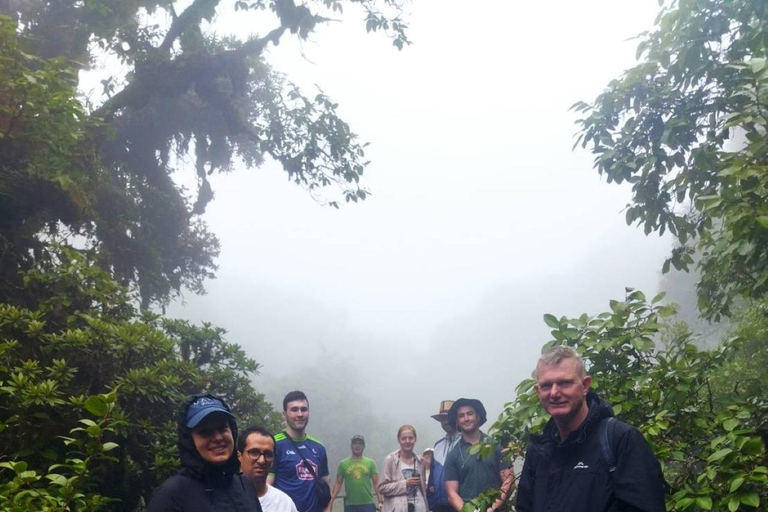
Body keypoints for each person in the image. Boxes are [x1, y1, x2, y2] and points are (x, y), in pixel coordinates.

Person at [515, 346, 667, 512]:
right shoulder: (538, 452)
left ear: (585, 385)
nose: (554, 393)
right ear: (538, 391)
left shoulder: (620, 440)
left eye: (564, 383)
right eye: (546, 385)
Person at [146, 394, 262, 512]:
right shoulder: (171, 495)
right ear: (189, 441)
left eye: (222, 428)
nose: (218, 438)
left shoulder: (244, 485)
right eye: (205, 432)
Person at [443, 399, 513, 512]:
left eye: (470, 414)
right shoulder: (453, 455)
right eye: (461, 416)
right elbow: (452, 493)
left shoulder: (496, 446)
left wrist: (492, 508)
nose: (466, 418)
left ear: (478, 417)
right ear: (457, 421)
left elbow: (509, 482)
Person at [269, 391, 331, 512]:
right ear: (284, 414)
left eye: (304, 409)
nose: (300, 414)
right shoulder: (274, 445)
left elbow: (326, 488)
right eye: (294, 409)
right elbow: (267, 486)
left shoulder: (319, 447)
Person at [238, 426, 299, 512]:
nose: (261, 460)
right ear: (239, 456)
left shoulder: (284, 503)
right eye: (254, 452)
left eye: (268, 454)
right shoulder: (225, 498)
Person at [329, 435, 384, 512]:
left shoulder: (370, 463)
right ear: (351, 446)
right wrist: (331, 502)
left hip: (367, 504)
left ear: (364, 447)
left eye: (360, 444)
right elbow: (338, 483)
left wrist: (380, 501)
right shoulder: (343, 464)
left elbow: (376, 483)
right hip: (350, 505)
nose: (357, 446)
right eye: (355, 443)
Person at [379, 425, 428, 512]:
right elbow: (382, 487)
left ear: (415, 439)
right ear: (399, 440)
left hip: (419, 507)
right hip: (398, 508)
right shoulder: (390, 460)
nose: (407, 441)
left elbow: (422, 487)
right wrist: (404, 484)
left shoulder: (420, 461)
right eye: (403, 438)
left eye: (410, 438)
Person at [426, 401, 461, 512]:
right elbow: (432, 474)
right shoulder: (438, 445)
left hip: (459, 504)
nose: (446, 422)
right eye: (442, 420)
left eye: (448, 418)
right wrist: (431, 499)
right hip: (438, 505)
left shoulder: (465, 443)